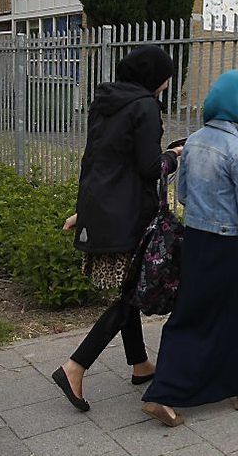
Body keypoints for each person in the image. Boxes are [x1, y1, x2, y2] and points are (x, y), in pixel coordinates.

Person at [141, 69, 238, 426]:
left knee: (191, 313)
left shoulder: (195, 140)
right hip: (230, 246)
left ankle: (167, 390)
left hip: (196, 241)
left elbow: (182, 194)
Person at [54, 45, 180, 412]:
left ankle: (140, 364)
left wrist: (85, 210)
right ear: (154, 76)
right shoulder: (145, 107)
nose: (169, 82)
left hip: (104, 206)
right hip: (130, 212)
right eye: (167, 75)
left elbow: (96, 160)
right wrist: (173, 156)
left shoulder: (106, 102)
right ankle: (75, 366)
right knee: (130, 295)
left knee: (130, 287)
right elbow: (147, 167)